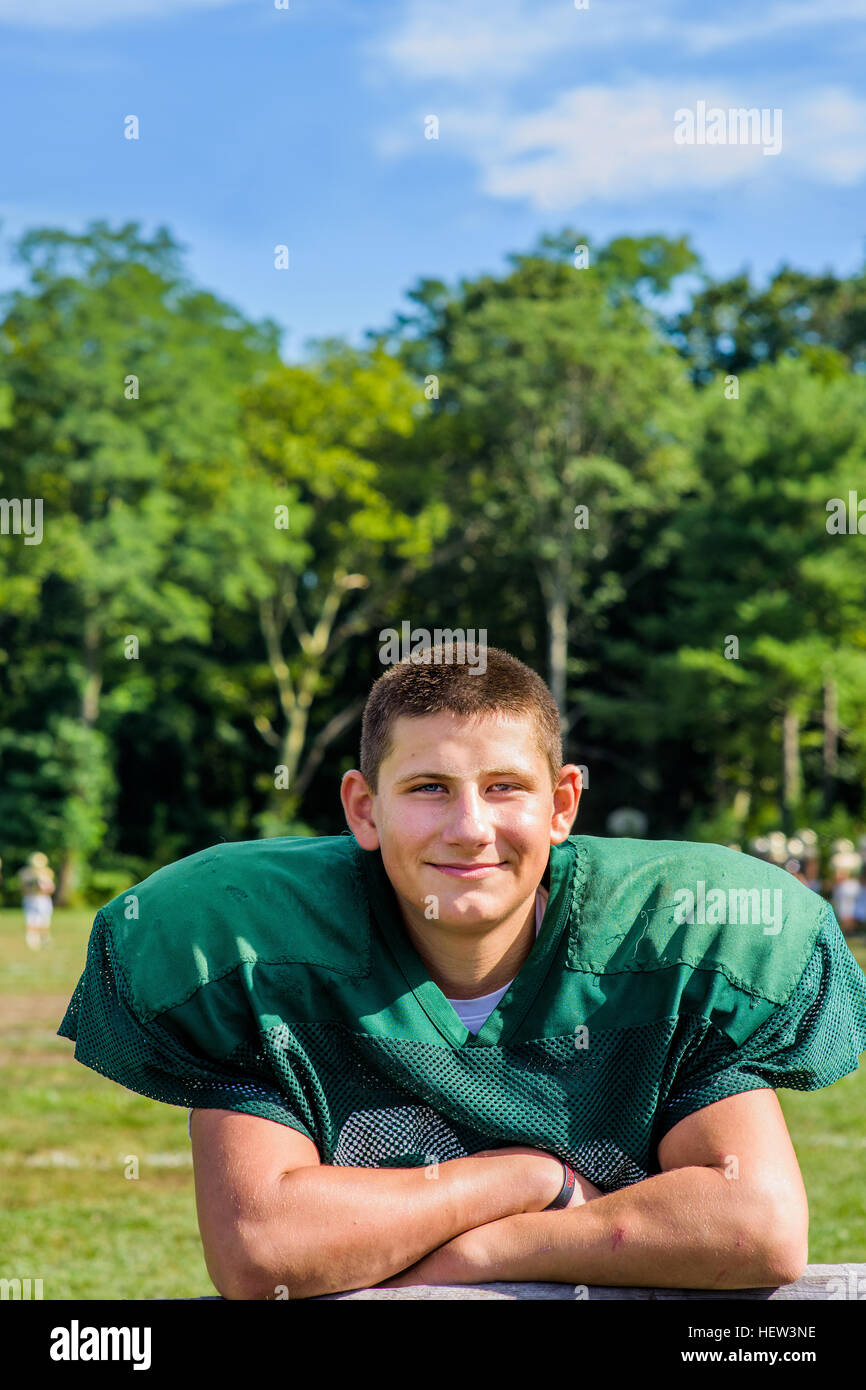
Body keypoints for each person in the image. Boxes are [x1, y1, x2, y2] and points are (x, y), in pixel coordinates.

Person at [58, 646, 866, 1298]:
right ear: (363, 809)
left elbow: (754, 1225)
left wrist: (480, 1257)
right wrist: (527, 1178)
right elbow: (265, 1248)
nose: (471, 827)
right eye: (430, 788)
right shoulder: (261, 954)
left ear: (562, 805)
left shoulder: (670, 946)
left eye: (505, 787)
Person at [20, 852, 56, 951]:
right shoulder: (26, 873)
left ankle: (45, 938)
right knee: (31, 920)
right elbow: (24, 889)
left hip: (43, 899)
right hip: (31, 898)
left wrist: (44, 883)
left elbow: (50, 889)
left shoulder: (47, 872)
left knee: (45, 920)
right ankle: (32, 939)